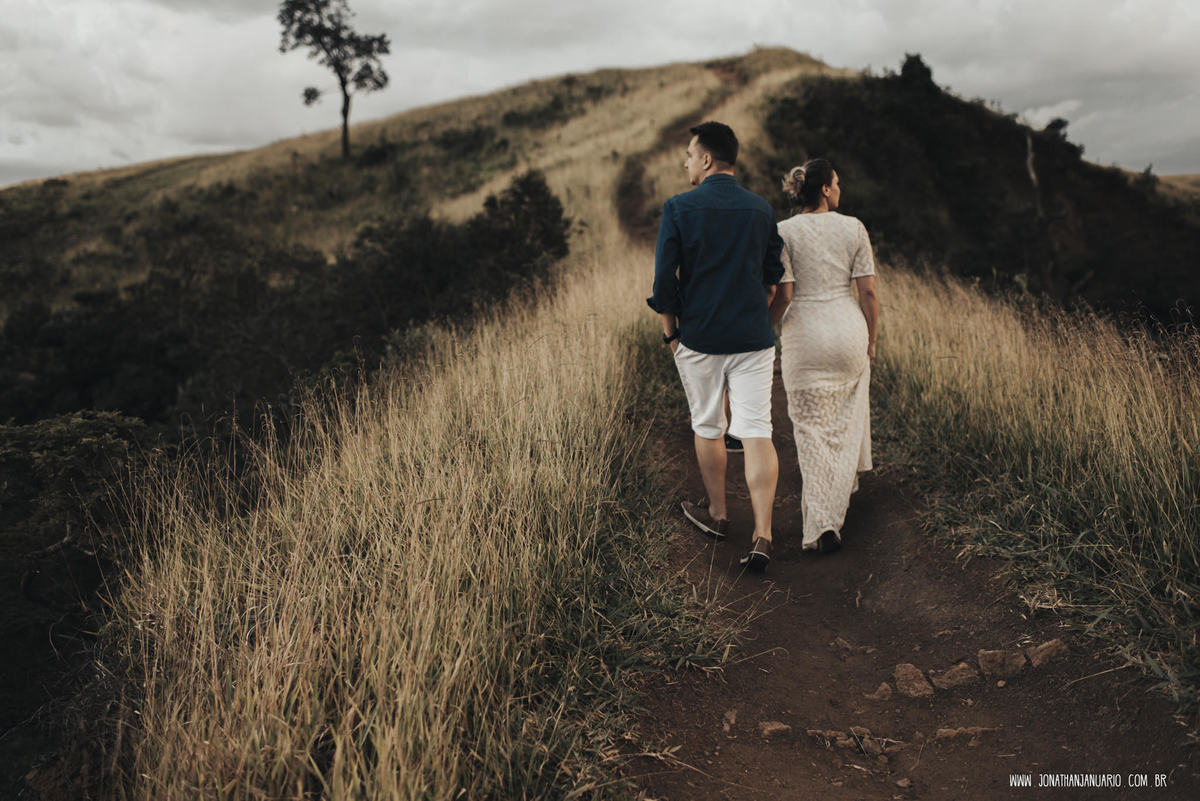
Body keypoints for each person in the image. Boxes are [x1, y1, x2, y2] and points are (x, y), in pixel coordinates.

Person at [647, 121, 785, 572]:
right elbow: (771, 280)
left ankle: (718, 515)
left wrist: (671, 333)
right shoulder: (761, 209)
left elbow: (665, 281)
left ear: (707, 159)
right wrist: (758, 321)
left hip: (701, 338)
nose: (686, 161)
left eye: (689, 154)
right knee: (757, 429)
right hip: (752, 338)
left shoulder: (679, 208)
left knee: (708, 425)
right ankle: (763, 533)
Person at [770, 159, 879, 554]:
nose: (840, 188)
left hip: (805, 337)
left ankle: (821, 524)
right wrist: (871, 338)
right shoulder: (854, 228)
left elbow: (783, 295)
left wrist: (766, 330)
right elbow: (867, 292)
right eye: (838, 182)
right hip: (847, 330)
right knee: (844, 421)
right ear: (827, 190)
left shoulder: (782, 232)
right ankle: (836, 501)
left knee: (810, 432)